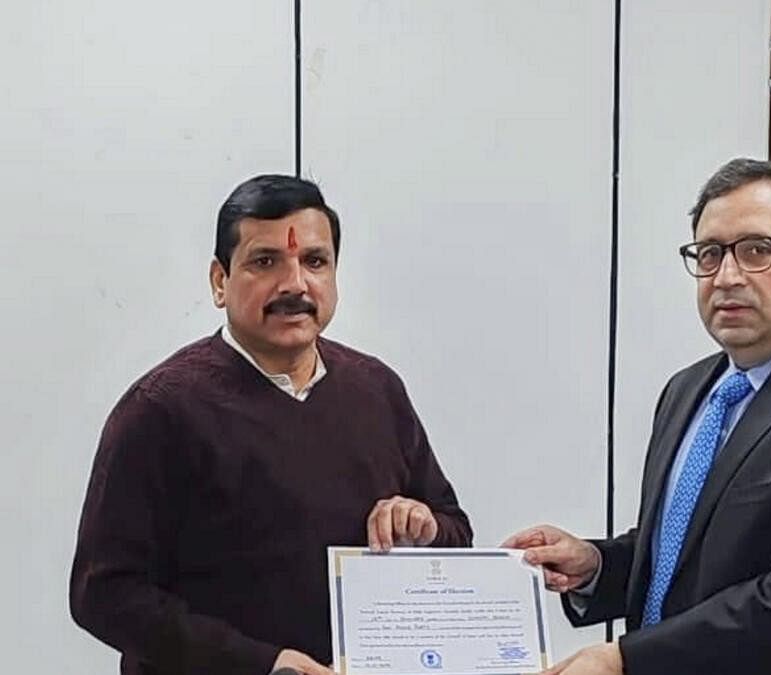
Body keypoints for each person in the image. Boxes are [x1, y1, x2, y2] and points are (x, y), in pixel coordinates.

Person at [504, 158, 771, 675]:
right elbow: (687, 556)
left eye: (758, 251)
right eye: (710, 254)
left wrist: (624, 659)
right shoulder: (689, 390)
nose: (727, 276)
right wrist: (597, 566)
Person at [70, 175, 472, 675]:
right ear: (220, 281)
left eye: (315, 262)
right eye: (265, 262)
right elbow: (103, 593)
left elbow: (455, 532)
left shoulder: (378, 390)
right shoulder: (160, 409)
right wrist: (261, 665)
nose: (294, 284)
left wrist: (424, 527)